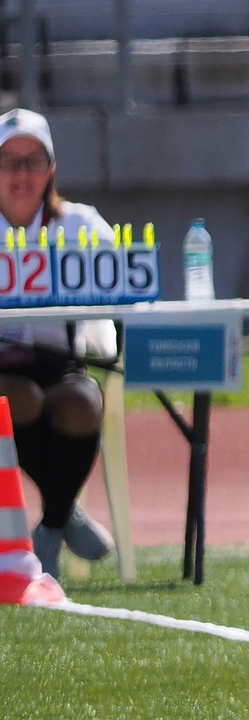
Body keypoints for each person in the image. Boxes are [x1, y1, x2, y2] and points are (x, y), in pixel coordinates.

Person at [0, 108, 118, 577]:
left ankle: (49, 526)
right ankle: (64, 511)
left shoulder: (81, 225)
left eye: (33, 161)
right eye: (9, 161)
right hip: (4, 367)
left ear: (51, 170)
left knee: (81, 403)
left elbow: (122, 288)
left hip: (62, 361)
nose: (21, 174)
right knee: (19, 398)